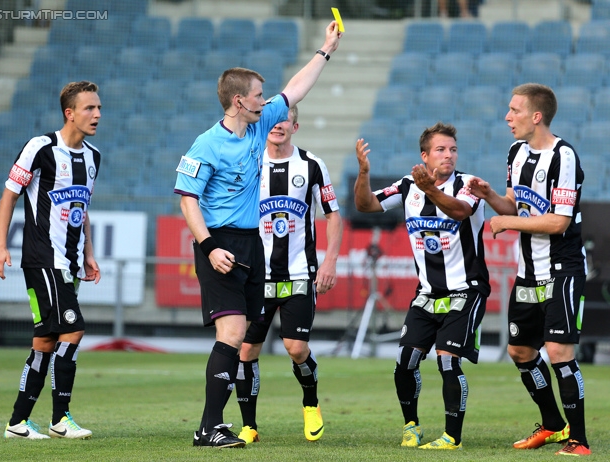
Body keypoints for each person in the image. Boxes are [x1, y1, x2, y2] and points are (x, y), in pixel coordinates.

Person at [174, 22, 342, 448]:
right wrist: (209, 246)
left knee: (242, 341)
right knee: (232, 337)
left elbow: (296, 89)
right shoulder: (206, 145)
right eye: (257, 95)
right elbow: (187, 201)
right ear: (238, 101)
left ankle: (216, 423)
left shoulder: (257, 124)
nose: (264, 102)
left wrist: (325, 49)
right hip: (222, 244)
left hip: (253, 246)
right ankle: (209, 427)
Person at [467, 83, 591, 456]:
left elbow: (559, 222)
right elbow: (514, 206)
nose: (507, 117)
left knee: (557, 350)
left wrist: (509, 224)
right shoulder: (515, 152)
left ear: (536, 117)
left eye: (514, 110)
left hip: (562, 268)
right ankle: (552, 424)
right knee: (520, 351)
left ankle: (579, 440)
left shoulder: (564, 156)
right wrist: (491, 197)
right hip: (528, 271)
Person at [354, 122, 490, 450]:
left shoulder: (469, 185)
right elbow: (366, 205)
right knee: (405, 360)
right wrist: (363, 172)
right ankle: (411, 427)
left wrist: (430, 190)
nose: (449, 155)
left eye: (453, 149)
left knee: (446, 359)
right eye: (441, 150)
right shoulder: (406, 186)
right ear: (424, 156)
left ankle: (452, 437)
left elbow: (459, 212)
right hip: (427, 292)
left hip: (466, 289)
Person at [0, 80, 102, 440]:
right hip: (43, 259)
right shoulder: (40, 148)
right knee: (73, 329)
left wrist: (88, 254)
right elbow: (10, 194)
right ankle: (61, 419)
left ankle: (18, 423)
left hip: (68, 265)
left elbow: (81, 209)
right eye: (90, 108)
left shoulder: (93, 157)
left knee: (44, 343)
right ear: (70, 113)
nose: (97, 114)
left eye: (99, 108)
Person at [234, 105, 343, 444]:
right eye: (272, 120)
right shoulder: (250, 161)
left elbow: (333, 215)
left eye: (284, 120)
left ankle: (310, 402)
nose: (278, 126)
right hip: (257, 276)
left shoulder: (311, 165)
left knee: (296, 348)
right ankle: (249, 426)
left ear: (295, 125)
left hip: (298, 272)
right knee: (246, 351)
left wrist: (329, 262)